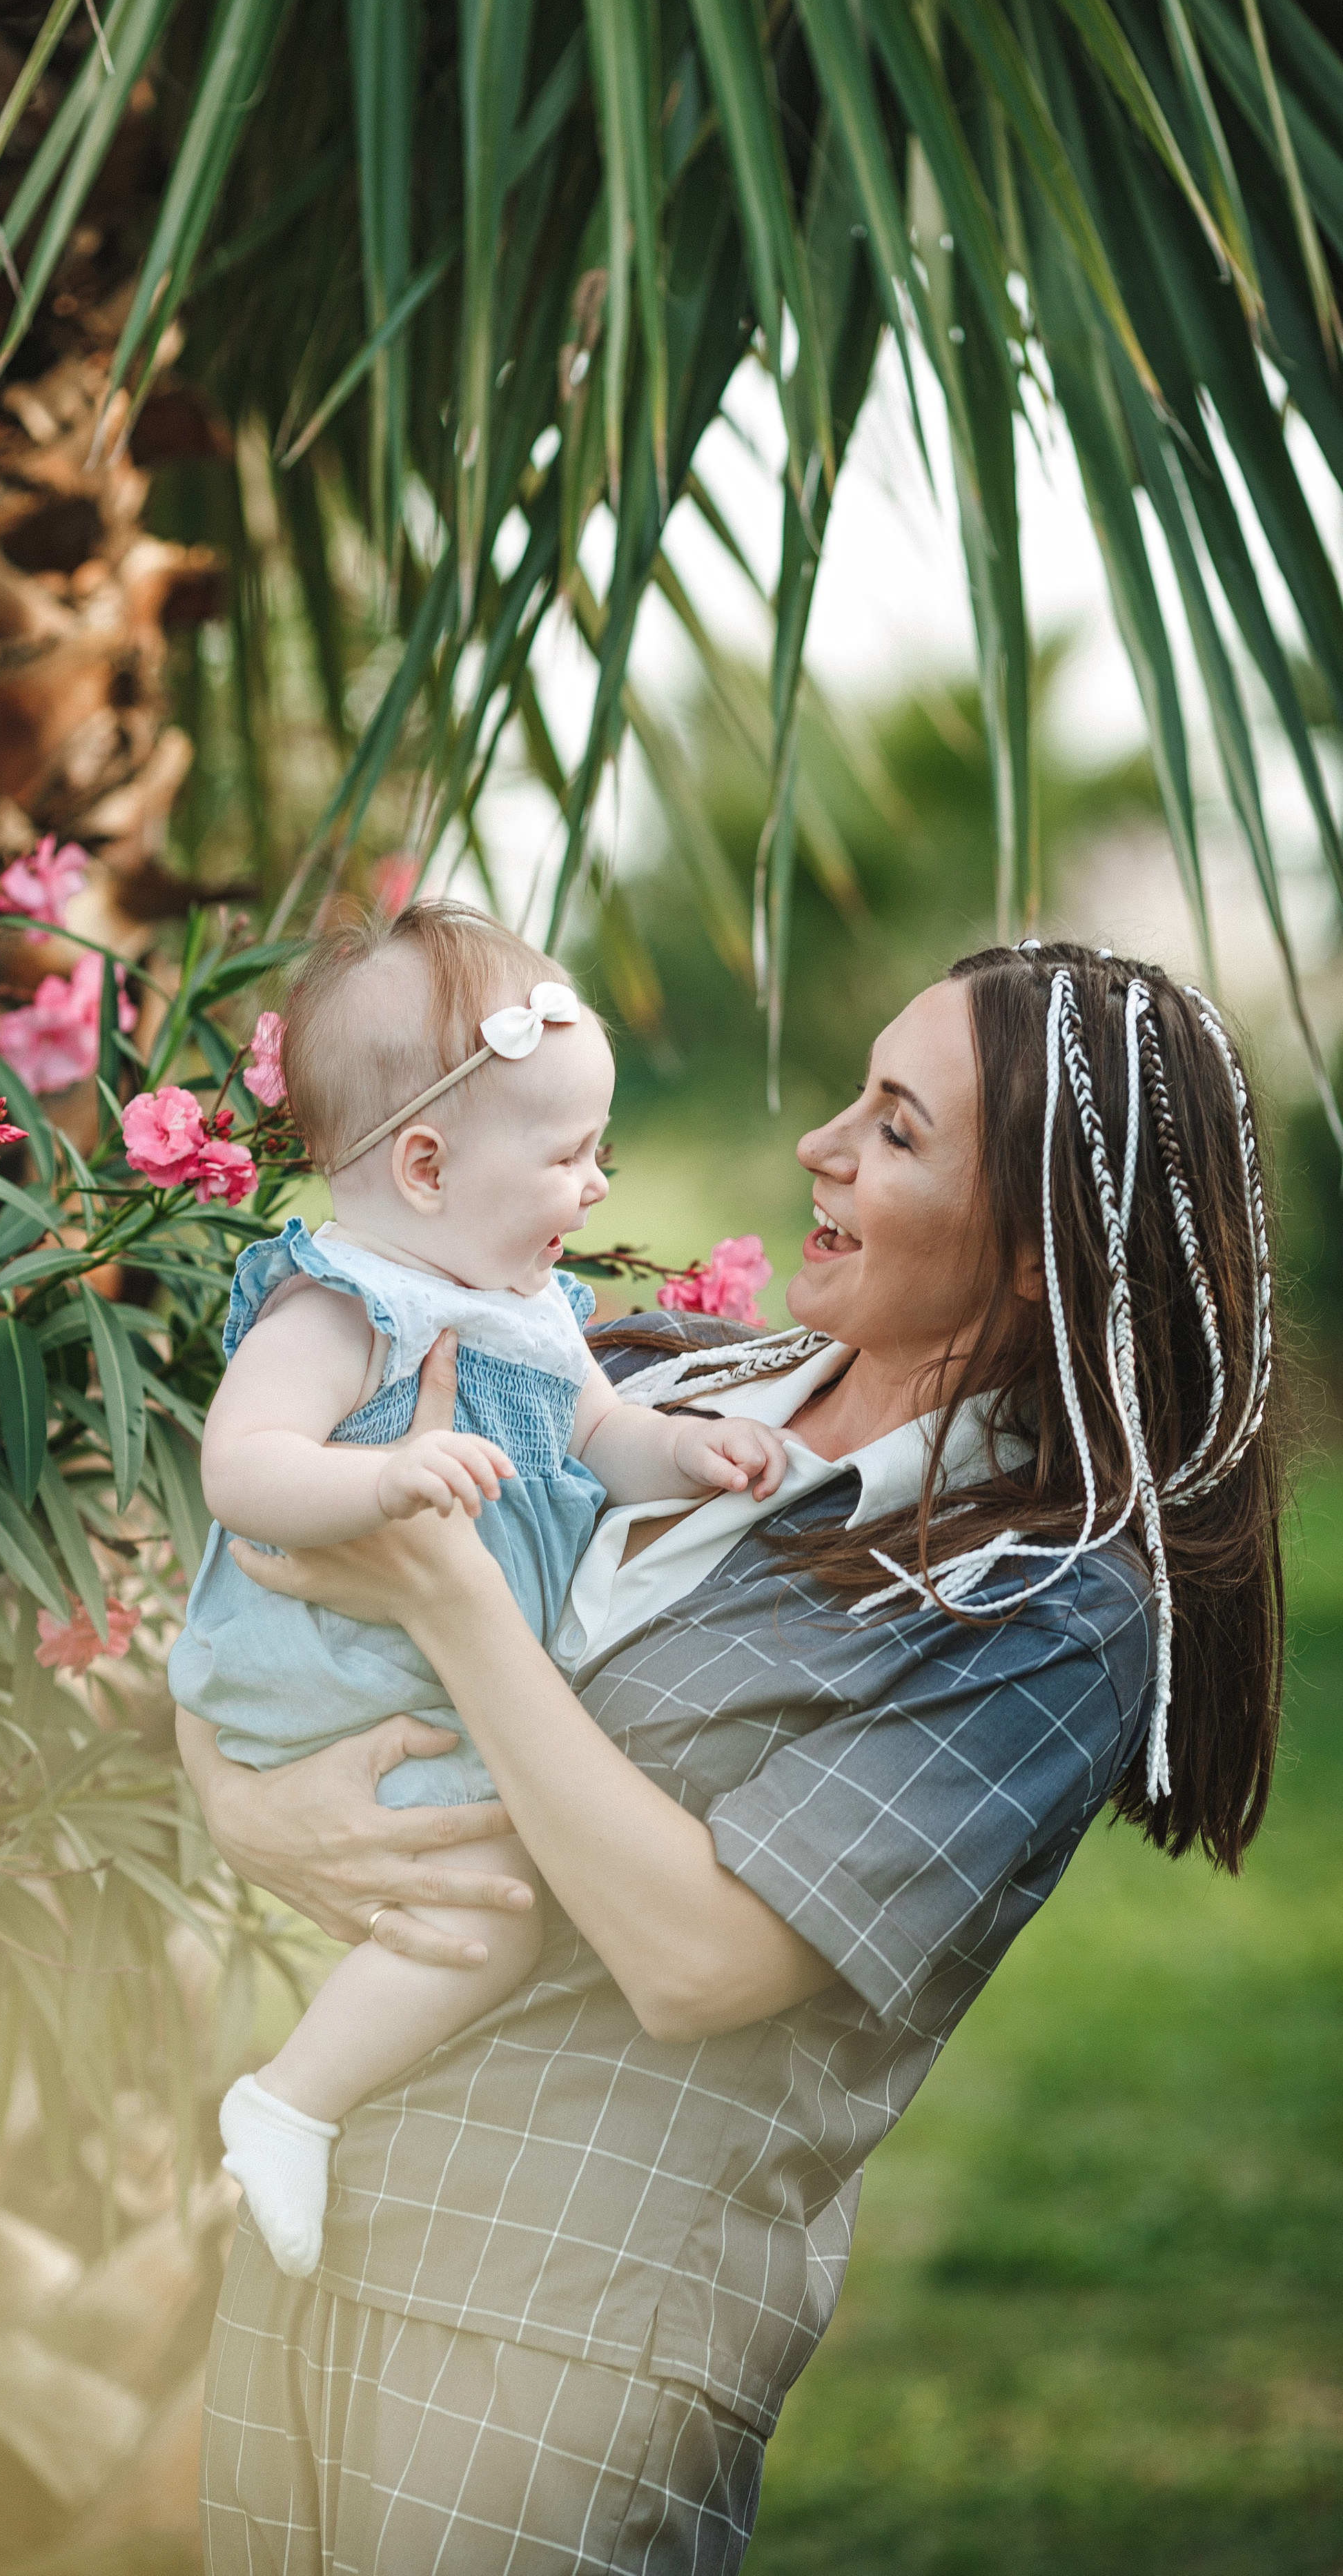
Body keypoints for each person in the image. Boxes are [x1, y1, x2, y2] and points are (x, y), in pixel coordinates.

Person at [177, 943, 1286, 2575]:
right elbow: (261, 1596)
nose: (817, 1149)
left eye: (895, 1131)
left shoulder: (1040, 1609)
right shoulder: (647, 1379)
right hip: (311, 2241)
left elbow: (699, 1959)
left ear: (1041, 1253)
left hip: (554, 2339)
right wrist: (244, 1800)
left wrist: (453, 1597)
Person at [172, 905, 787, 2279]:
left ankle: (301, 2100)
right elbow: (243, 1468)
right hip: (328, 1669)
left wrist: (683, 1449)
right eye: (569, 1155)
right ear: (426, 1165)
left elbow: (597, 1438)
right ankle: (288, 2104)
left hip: (420, 1665)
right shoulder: (337, 1307)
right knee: (488, 1909)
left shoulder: (533, 1311)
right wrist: (381, 1486)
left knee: (495, 1883)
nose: (595, 1187)